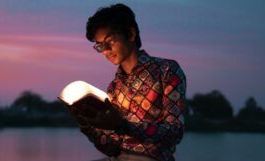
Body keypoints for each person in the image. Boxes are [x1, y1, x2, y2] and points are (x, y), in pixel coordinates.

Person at [72, 3, 186, 161]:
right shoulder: (114, 88)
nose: (105, 51)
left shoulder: (166, 71)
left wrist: (123, 126)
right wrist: (87, 126)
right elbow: (111, 147)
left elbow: (174, 132)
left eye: (109, 42)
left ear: (131, 34)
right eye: (100, 46)